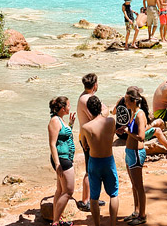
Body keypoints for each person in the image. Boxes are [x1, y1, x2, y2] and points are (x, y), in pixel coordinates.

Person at [82, 94, 119, 226]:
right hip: (108, 160)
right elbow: (113, 134)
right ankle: (113, 223)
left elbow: (84, 144)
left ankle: (97, 224)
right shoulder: (110, 122)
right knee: (114, 194)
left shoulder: (86, 127)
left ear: (89, 110)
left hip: (94, 162)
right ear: (100, 107)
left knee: (94, 197)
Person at [77, 73, 106, 213]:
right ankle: (85, 200)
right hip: (87, 138)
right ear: (95, 85)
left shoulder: (85, 97)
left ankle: (92, 198)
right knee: (90, 170)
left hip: (87, 136)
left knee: (93, 169)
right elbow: (98, 116)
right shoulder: (86, 99)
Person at [48, 95, 76, 226]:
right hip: (62, 160)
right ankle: (55, 222)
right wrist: (58, 163)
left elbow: (65, 136)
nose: (70, 107)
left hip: (65, 158)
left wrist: (70, 125)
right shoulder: (54, 121)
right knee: (69, 191)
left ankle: (57, 220)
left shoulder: (61, 120)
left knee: (60, 190)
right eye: (68, 105)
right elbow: (52, 144)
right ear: (63, 108)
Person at [123, 87, 147, 225]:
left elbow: (141, 137)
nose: (125, 103)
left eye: (127, 101)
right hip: (130, 153)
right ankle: (136, 211)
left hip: (136, 153)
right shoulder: (133, 112)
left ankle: (142, 215)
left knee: (139, 186)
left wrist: (128, 132)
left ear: (133, 101)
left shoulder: (139, 114)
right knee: (134, 185)